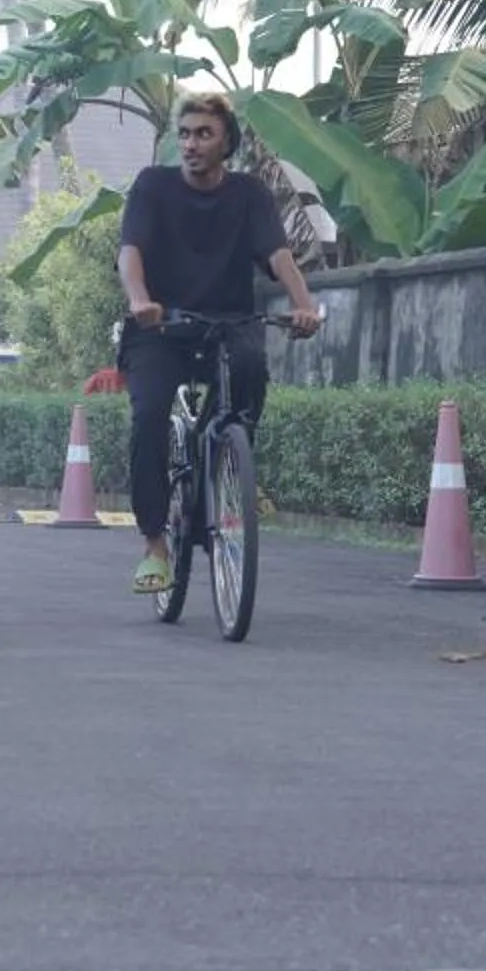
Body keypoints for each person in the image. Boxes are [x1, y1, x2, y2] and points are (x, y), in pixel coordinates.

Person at [115, 91, 321, 594]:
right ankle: (155, 545)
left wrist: (305, 306)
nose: (191, 143)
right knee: (148, 419)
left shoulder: (248, 194)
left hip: (228, 323)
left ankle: (228, 462)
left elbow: (279, 257)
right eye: (184, 134)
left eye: (204, 133)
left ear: (227, 141)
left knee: (249, 371)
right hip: (161, 329)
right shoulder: (153, 187)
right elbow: (130, 251)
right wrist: (141, 300)